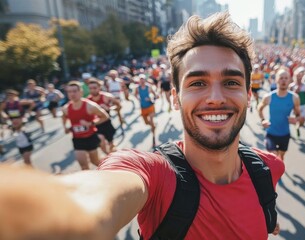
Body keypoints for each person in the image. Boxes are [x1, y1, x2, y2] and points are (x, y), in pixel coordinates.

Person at [0, 12, 284, 240]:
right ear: (174, 97)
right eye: (197, 83)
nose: (215, 98)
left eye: (231, 82)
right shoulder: (152, 173)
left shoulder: (267, 168)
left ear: (248, 94)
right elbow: (88, 197)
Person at [62, 81, 109, 170]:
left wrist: (91, 123)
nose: (72, 94)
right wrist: (65, 127)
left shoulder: (90, 106)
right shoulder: (65, 109)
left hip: (91, 137)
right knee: (84, 166)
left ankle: (109, 170)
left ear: (81, 92)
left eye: (75, 91)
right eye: (69, 92)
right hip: (77, 139)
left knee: (95, 162)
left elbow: (105, 117)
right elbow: (64, 117)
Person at [258, 69, 300, 160]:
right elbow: (259, 108)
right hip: (271, 133)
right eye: (281, 78)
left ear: (289, 80)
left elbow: (298, 114)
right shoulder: (268, 97)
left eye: (286, 78)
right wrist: (262, 120)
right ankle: (275, 172)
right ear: (276, 80)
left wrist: (296, 119)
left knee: (281, 157)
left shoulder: (294, 98)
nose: (283, 80)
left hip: (285, 134)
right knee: (273, 157)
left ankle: (279, 171)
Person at [1, 89, 35, 166]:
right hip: (13, 122)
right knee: (26, 162)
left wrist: (28, 112)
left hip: (20, 120)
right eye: (9, 97)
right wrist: (5, 115)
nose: (10, 98)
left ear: (15, 96)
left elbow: (32, 103)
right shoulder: (6, 104)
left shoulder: (19, 102)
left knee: (27, 161)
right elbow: (1, 110)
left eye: (12, 96)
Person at [87, 79, 120, 154]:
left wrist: (109, 108)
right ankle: (109, 157)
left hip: (107, 124)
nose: (92, 90)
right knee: (101, 141)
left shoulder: (107, 96)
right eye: (90, 88)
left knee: (111, 144)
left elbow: (118, 105)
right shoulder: (88, 101)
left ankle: (112, 149)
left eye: (94, 88)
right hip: (96, 125)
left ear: (99, 87)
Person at [134, 74, 158, 148]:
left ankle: (154, 138)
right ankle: (153, 126)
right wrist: (138, 99)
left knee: (151, 121)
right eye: (140, 80)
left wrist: (151, 98)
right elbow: (135, 94)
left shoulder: (149, 87)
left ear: (145, 80)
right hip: (143, 107)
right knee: (146, 123)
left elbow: (156, 96)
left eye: (143, 79)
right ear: (139, 81)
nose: (142, 81)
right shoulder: (137, 88)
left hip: (150, 107)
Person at [289, 66, 305, 138]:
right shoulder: (291, 86)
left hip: (303, 105)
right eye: (297, 76)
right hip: (294, 106)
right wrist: (295, 92)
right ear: (295, 76)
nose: (299, 78)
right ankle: (288, 129)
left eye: (300, 76)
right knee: (293, 120)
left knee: (302, 122)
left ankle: (297, 127)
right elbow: (288, 96)